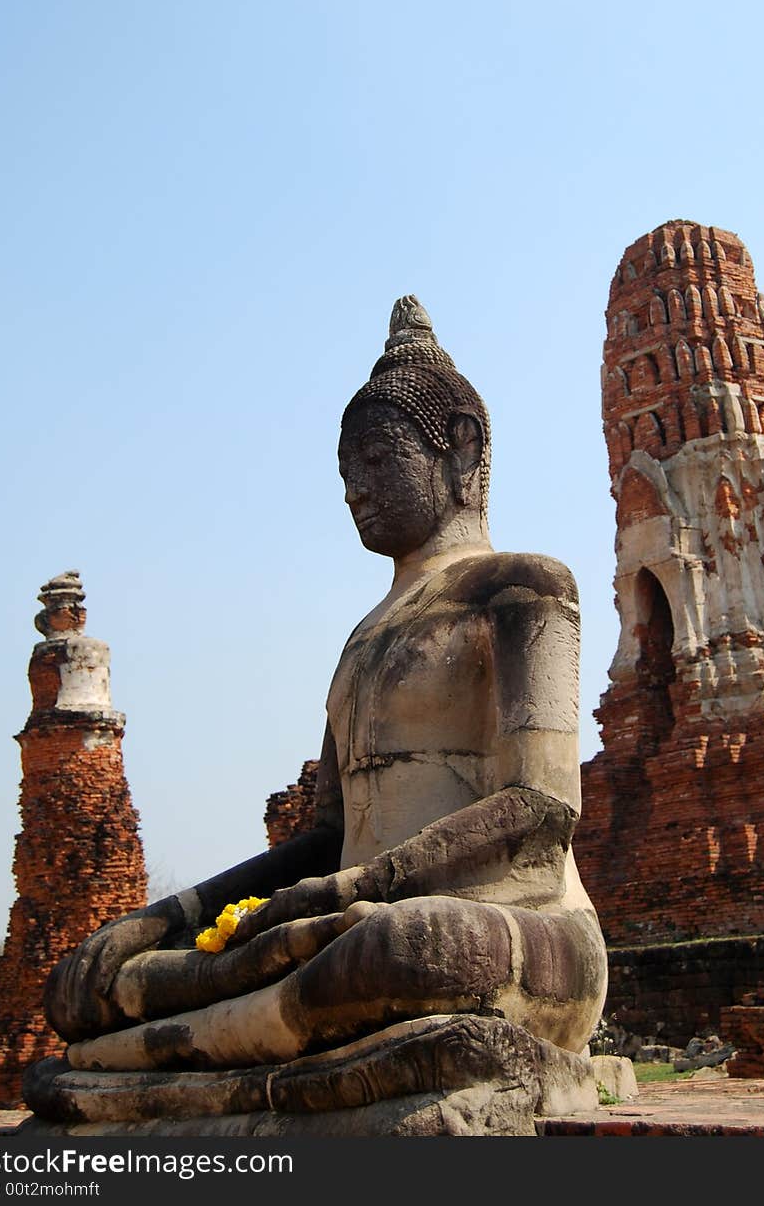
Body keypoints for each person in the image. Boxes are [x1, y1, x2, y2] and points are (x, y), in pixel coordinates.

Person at [41, 296, 607, 1076]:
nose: (353, 488)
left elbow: (544, 807)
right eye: (345, 470)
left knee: (398, 945)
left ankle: (196, 1049)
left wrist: (360, 887)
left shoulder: (520, 588)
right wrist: (167, 916)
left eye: (376, 460)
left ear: (460, 450)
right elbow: (321, 838)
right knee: (91, 981)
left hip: (513, 923)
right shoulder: (363, 637)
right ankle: (215, 1043)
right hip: (348, 921)